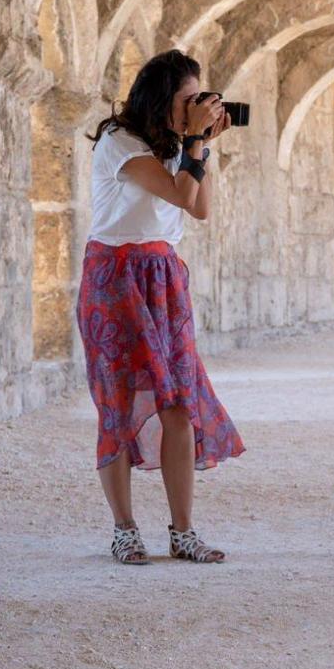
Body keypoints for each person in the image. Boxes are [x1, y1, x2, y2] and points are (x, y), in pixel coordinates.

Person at [77, 49, 244, 565]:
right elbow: (175, 191)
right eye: (188, 99)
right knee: (119, 403)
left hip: (164, 278)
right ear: (159, 98)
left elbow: (199, 208)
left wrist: (201, 148)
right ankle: (124, 529)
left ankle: (183, 531)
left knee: (178, 406)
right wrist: (193, 144)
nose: (197, 107)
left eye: (201, 98)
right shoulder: (119, 141)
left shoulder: (178, 148)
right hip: (115, 277)